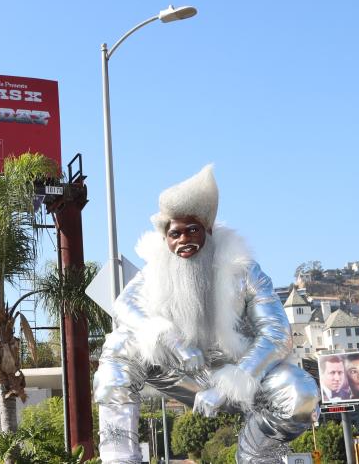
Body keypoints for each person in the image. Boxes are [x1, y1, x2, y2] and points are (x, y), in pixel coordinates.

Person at [93, 165, 320, 464]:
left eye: (192, 230)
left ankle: (256, 455)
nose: (184, 240)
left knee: (301, 393)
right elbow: (124, 306)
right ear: (166, 238)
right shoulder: (155, 269)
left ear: (208, 231)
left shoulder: (243, 270)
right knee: (120, 345)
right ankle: (120, 457)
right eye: (175, 233)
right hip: (182, 370)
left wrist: (232, 382)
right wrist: (171, 340)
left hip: (242, 374)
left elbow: (277, 334)